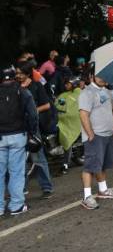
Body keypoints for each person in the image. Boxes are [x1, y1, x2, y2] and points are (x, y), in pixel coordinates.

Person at [78, 71, 113, 210]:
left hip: (107, 134)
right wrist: (90, 134)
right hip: (95, 135)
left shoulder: (107, 92)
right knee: (90, 166)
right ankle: (87, 196)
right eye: (99, 75)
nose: (103, 78)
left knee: (101, 164)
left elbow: (112, 111)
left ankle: (103, 190)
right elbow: (83, 114)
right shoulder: (87, 92)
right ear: (91, 76)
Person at [0, 64, 38, 216]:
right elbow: (33, 114)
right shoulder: (22, 91)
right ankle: (16, 205)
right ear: (14, 76)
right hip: (18, 136)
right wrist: (32, 132)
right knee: (16, 172)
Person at [15, 62, 54, 199]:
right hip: (18, 128)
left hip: (32, 127)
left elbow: (47, 105)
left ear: (27, 73)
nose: (18, 76)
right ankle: (22, 189)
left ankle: (47, 187)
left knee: (38, 157)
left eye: (21, 73)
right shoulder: (15, 87)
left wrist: (32, 110)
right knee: (20, 160)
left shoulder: (36, 86)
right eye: (17, 73)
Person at [56, 77, 83, 174]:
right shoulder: (64, 94)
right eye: (65, 84)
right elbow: (59, 105)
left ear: (74, 84)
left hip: (75, 121)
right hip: (62, 120)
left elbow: (74, 107)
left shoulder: (80, 94)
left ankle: (65, 164)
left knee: (67, 139)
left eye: (68, 84)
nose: (65, 85)